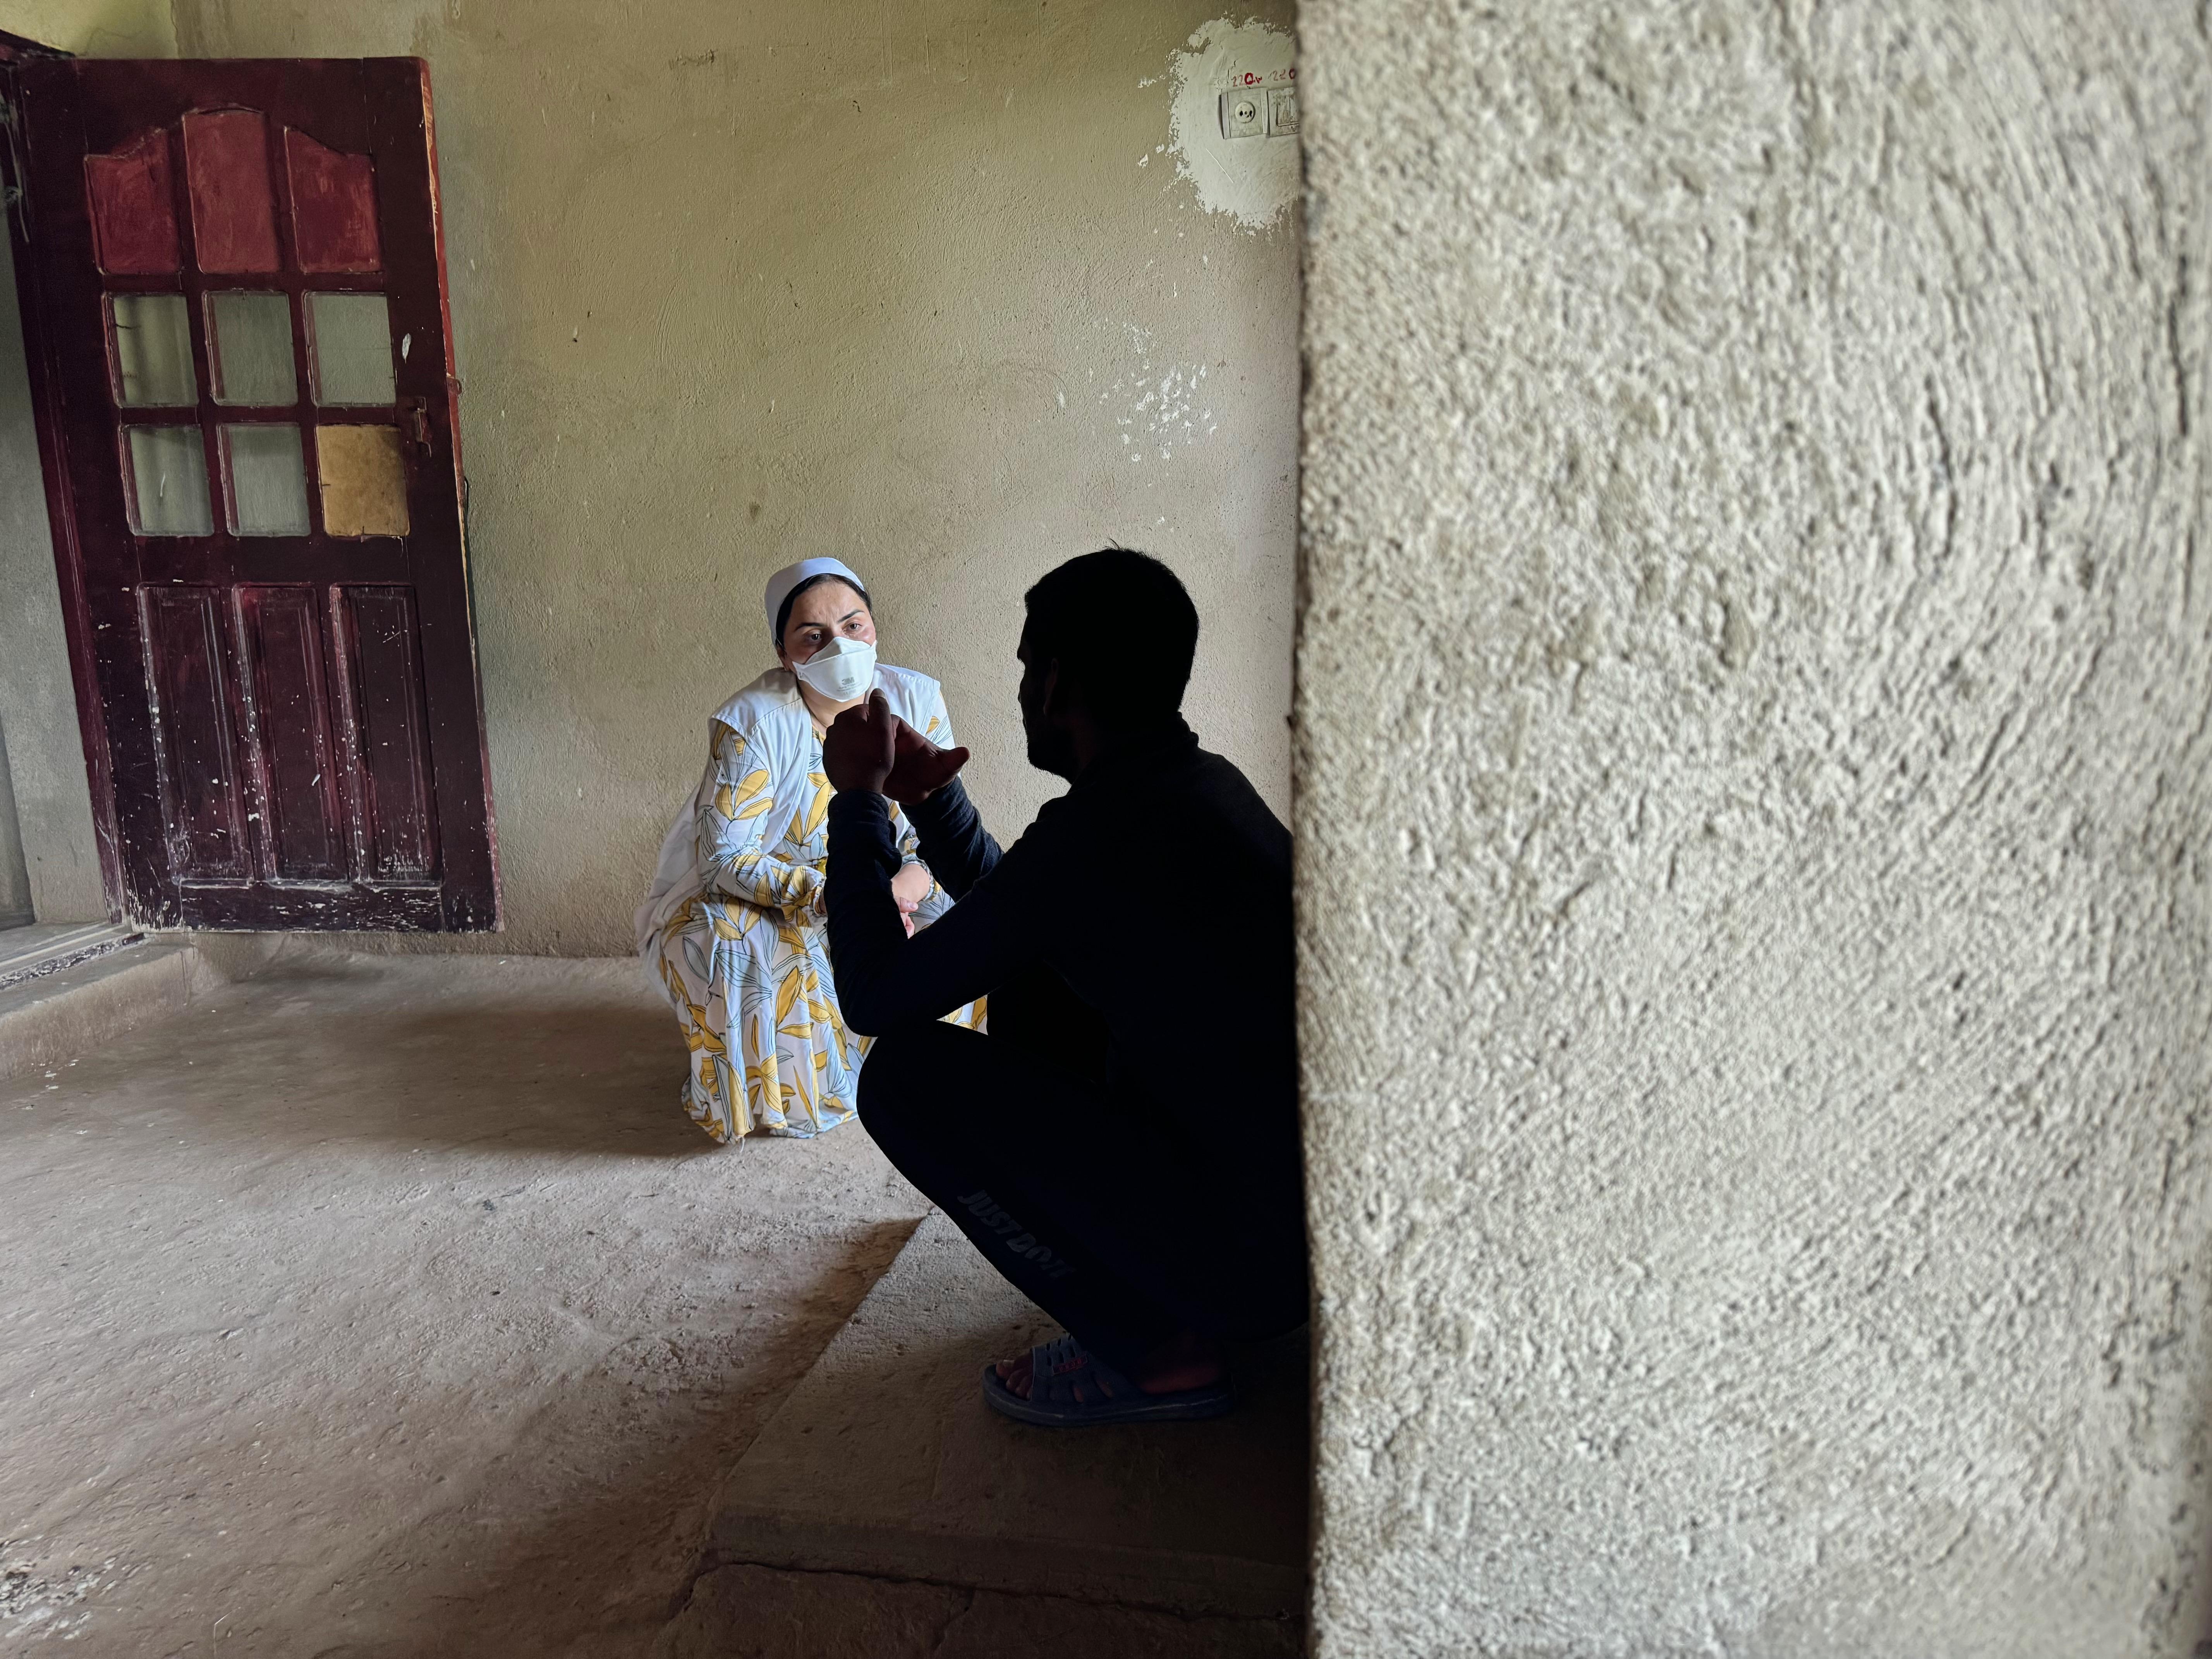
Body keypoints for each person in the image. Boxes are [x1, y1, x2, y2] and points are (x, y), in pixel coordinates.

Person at [819, 547, 1304, 1425]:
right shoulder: (1193, 786)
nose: (1020, 690)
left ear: (1054, 686)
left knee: (903, 1080)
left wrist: (857, 801)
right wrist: (931, 802)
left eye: (1025, 666)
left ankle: (1157, 1356)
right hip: (1287, 1232)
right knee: (1033, 984)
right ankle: (1152, 1296)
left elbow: (874, 997)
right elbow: (1029, 909)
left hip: (1247, 1272)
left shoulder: (1099, 835)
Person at [635, 557, 979, 1143]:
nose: (839, 648)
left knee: (970, 921)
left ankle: (921, 1068)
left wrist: (904, 889)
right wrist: (843, 898)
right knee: (735, 943)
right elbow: (725, 861)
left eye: (854, 626)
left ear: (875, 628)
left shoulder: (916, 700)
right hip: (768, 893)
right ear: (783, 653)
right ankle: (782, 1097)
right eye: (812, 637)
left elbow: (936, 830)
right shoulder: (753, 723)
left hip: (888, 885)